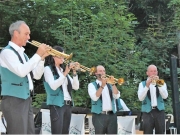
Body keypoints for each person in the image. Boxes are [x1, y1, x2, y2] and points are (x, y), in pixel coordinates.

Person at [0, 20, 50, 134]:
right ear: (16, 33)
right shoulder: (7, 53)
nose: (29, 37)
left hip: (25, 99)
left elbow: (36, 76)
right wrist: (38, 54)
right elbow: (22, 71)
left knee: (29, 132)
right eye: (26, 34)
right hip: (14, 100)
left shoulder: (24, 55)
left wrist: (42, 58)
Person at [43, 46, 79, 134]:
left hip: (67, 104)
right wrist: (65, 73)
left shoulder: (62, 70)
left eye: (64, 55)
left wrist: (74, 73)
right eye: (61, 55)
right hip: (57, 104)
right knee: (57, 132)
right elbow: (53, 86)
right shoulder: (48, 69)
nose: (64, 58)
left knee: (65, 132)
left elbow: (76, 87)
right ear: (54, 56)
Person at [88, 65, 120, 134]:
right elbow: (95, 98)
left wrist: (113, 84)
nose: (103, 72)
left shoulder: (110, 84)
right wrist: (102, 85)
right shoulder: (91, 85)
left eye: (104, 71)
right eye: (100, 71)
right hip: (99, 116)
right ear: (96, 73)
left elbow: (117, 96)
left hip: (112, 115)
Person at [138, 64, 168, 134]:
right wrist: (147, 86)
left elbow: (165, 96)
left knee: (160, 132)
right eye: (151, 71)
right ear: (147, 73)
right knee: (147, 132)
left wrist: (159, 84)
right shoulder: (142, 84)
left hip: (159, 111)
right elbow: (140, 98)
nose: (153, 73)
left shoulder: (162, 83)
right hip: (147, 112)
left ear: (157, 72)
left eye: (155, 71)